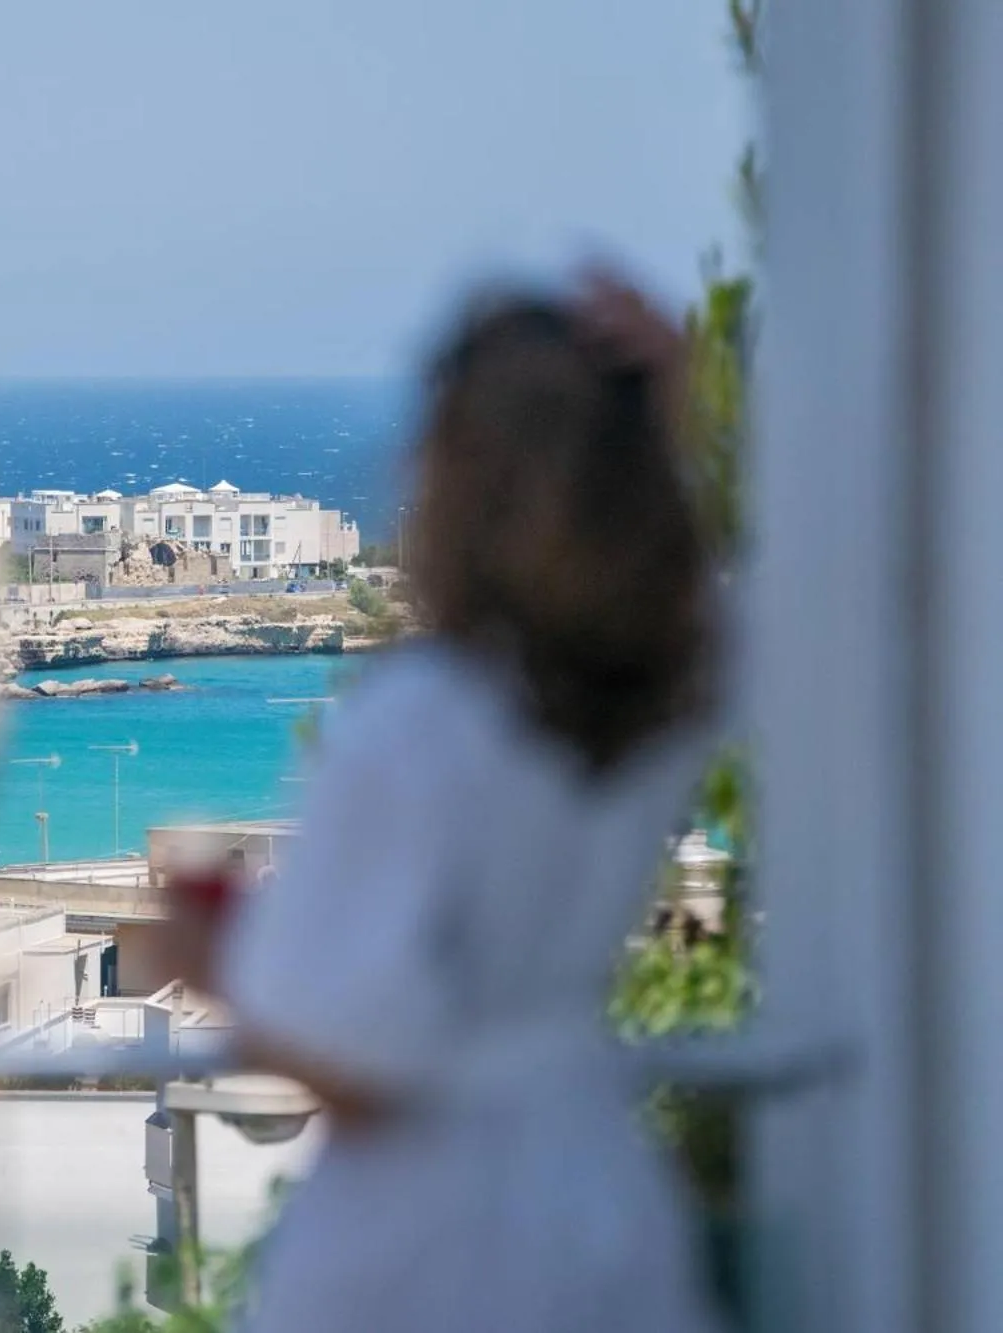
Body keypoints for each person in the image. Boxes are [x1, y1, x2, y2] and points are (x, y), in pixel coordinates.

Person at [160, 272, 724, 1333]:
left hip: (422, 1239)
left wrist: (204, 960)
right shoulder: (665, 689)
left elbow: (356, 1059)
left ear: (460, 480)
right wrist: (678, 415)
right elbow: (725, 589)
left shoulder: (423, 720)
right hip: (599, 1194)